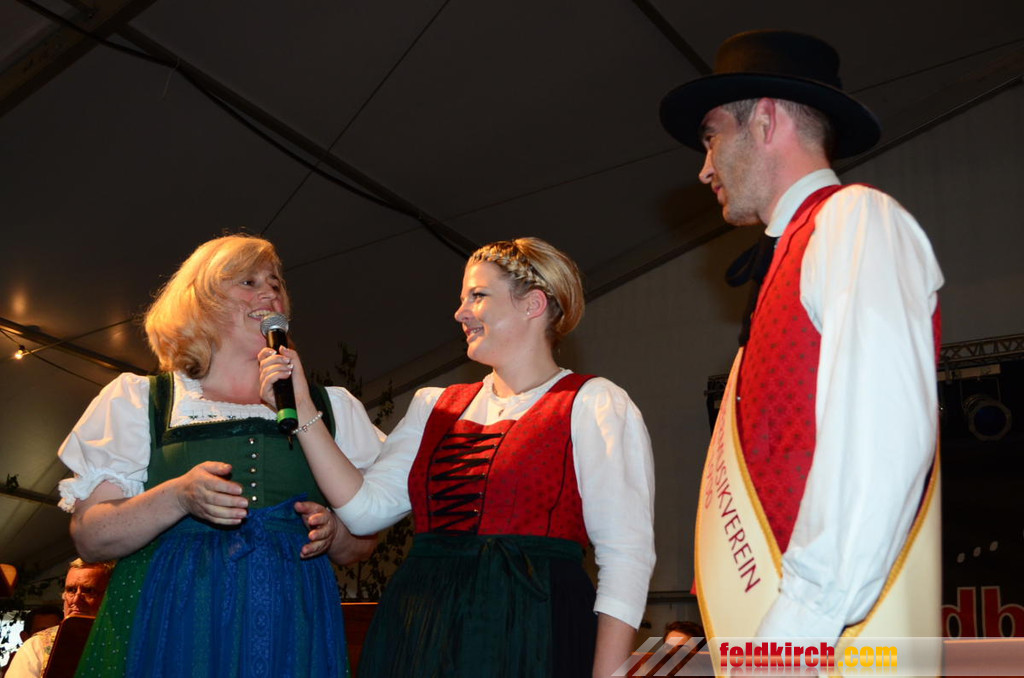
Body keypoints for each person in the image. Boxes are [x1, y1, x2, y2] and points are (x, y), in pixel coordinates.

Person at [258, 237, 656, 677]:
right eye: (463, 298)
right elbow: (364, 512)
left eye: (477, 296)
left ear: (533, 304)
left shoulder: (593, 403)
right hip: (422, 632)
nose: (460, 312)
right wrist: (303, 407)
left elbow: (626, 558)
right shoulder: (435, 406)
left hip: (532, 633)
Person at [660, 30, 944, 644]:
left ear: (765, 120)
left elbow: (880, 432)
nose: (704, 167)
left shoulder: (856, 220)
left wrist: (799, 626)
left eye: (711, 136)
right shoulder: (791, 254)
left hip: (823, 641)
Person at [56, 234, 383, 677]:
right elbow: (91, 538)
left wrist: (337, 534)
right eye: (249, 282)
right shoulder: (142, 401)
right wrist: (176, 497)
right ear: (200, 302)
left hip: (290, 627)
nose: (270, 293)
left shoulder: (328, 406)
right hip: (173, 624)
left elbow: (364, 543)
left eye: (276, 282)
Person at [6, 559, 113, 678]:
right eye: (71, 590)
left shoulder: (123, 641)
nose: (76, 599)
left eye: (89, 591)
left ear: (110, 596)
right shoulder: (37, 646)